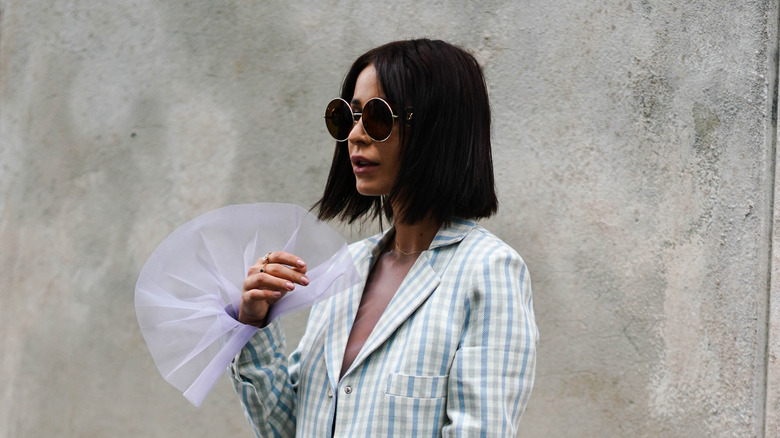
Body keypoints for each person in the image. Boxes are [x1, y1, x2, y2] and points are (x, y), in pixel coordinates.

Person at [231, 38, 537, 437]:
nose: (356, 135)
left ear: (435, 126)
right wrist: (254, 324)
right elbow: (289, 428)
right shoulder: (346, 270)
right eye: (348, 117)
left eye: (376, 116)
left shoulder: (488, 272)